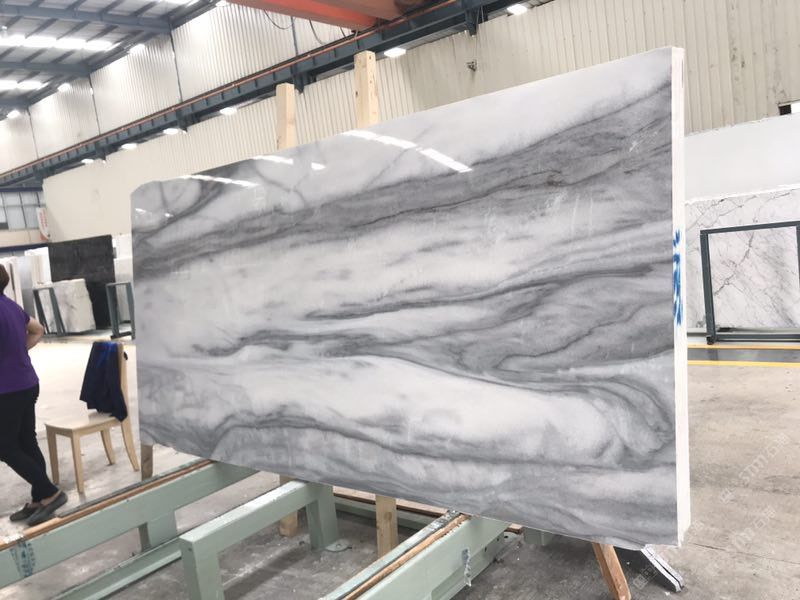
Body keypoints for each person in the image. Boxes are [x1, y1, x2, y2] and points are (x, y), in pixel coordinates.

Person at [0, 264, 67, 526]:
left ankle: (51, 492)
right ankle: (41, 498)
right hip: (27, 384)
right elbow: (38, 329)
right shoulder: (11, 306)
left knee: (5, 447)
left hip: (8, 390)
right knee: (27, 441)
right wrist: (17, 352)